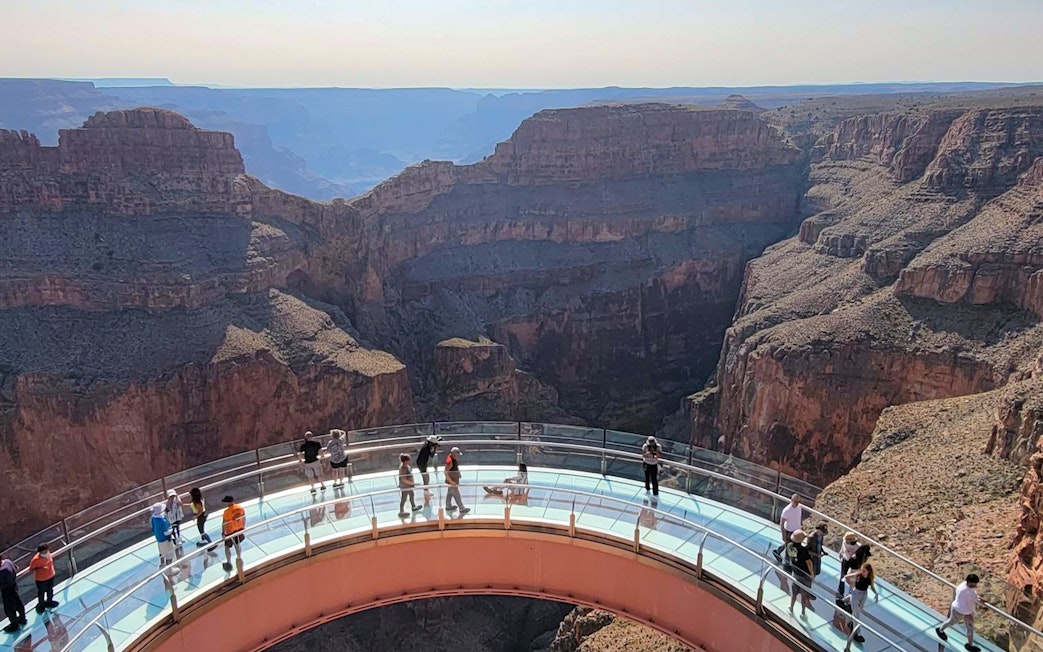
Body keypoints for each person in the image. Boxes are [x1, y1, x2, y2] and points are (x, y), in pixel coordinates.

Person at [937, 573, 987, 652]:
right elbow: (976, 600)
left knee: (970, 627)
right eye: (975, 583)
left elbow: (974, 597)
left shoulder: (963, 585)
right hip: (959, 610)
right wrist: (983, 602)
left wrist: (978, 598)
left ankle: (970, 645)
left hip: (966, 611)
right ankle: (940, 630)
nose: (976, 585)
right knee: (951, 622)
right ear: (970, 582)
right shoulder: (969, 591)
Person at [844, 562, 879, 644]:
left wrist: (876, 594)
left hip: (863, 594)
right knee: (856, 613)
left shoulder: (869, 579)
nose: (862, 572)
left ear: (868, 572)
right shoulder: (858, 575)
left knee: (858, 610)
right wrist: (852, 587)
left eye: (864, 571)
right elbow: (847, 577)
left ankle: (849, 619)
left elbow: (872, 587)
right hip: (856, 593)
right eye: (862, 570)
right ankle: (857, 631)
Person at [787, 530, 815, 617]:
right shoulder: (803, 550)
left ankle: (791, 607)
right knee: (804, 594)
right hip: (805, 575)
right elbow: (809, 563)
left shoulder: (790, 546)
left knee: (794, 592)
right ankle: (803, 611)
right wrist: (812, 574)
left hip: (796, 573)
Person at [28, 543, 59, 613]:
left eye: (46, 551)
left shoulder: (48, 554)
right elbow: (31, 569)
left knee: (50, 590)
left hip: (51, 576)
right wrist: (40, 569)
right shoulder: (35, 560)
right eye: (44, 552)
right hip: (41, 580)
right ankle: (41, 605)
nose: (46, 553)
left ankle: (49, 601)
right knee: (41, 593)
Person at [773, 494, 803, 562]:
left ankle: (778, 551)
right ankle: (788, 563)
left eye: (798, 501)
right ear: (792, 500)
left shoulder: (799, 507)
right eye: (795, 501)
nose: (797, 503)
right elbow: (782, 523)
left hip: (796, 530)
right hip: (789, 531)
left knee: (790, 544)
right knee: (790, 547)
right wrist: (783, 535)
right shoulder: (787, 510)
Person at [0, 556, 26, 632]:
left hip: (7, 591)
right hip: (14, 586)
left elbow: (1, 584)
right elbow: (16, 568)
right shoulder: (8, 561)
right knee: (18, 603)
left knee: (10, 609)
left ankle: (14, 625)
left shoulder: (1, 571)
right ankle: (22, 618)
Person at [150, 502, 178, 572]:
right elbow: (166, 532)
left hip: (159, 539)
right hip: (165, 539)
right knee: (169, 553)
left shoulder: (153, 518)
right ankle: (169, 569)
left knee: (162, 552)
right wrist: (172, 529)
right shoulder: (162, 520)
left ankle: (163, 564)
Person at [221, 495, 246, 572]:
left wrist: (223, 532)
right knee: (237, 544)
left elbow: (224, 523)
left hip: (230, 531)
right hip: (239, 529)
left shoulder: (226, 512)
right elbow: (244, 517)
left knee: (227, 547)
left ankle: (228, 562)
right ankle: (239, 558)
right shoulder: (240, 508)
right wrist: (243, 527)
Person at [188, 488, 217, 553]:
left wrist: (195, 516)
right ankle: (206, 544)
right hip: (201, 516)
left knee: (202, 531)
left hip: (201, 517)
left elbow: (200, 511)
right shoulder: (197, 501)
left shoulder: (198, 502)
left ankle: (210, 544)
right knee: (201, 531)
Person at [445, 447, 470, 514]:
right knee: (456, 494)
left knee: (450, 493)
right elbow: (445, 472)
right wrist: (451, 481)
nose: (458, 456)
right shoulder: (450, 461)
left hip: (454, 479)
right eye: (457, 454)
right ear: (454, 453)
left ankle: (448, 506)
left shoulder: (453, 459)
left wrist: (459, 473)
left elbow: (456, 467)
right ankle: (461, 508)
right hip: (452, 481)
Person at [837, 531, 861, 598]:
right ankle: (840, 591)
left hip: (854, 563)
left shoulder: (858, 547)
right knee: (842, 575)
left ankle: (851, 593)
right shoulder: (844, 542)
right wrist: (841, 554)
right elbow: (842, 549)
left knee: (852, 578)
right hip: (845, 560)